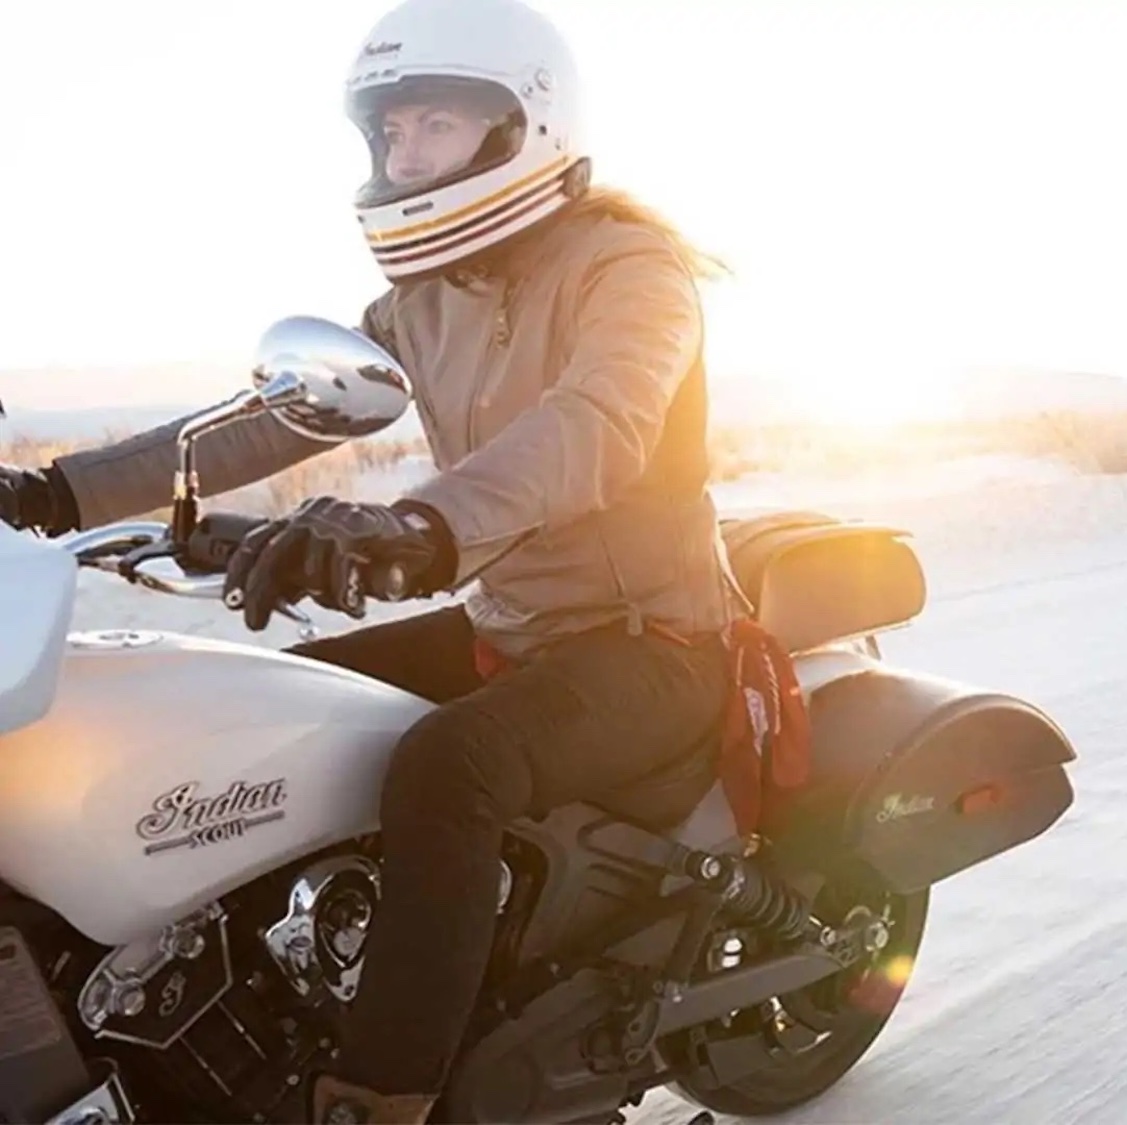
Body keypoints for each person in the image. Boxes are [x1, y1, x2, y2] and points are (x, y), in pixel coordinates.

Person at [0, 1, 767, 1120]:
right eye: (391, 133)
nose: (404, 156)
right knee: (272, 716)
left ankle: (382, 1094)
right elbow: (259, 426)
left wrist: (417, 529)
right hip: (506, 627)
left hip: (649, 643)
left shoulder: (630, 271)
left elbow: (594, 429)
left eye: (434, 127)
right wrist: (51, 493)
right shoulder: (422, 298)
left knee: (447, 768)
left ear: (522, 127)